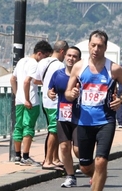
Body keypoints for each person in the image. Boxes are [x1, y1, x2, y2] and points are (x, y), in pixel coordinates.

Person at [65, 30, 122, 191]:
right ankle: (97, 176)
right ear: (88, 45)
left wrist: (120, 99)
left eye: (100, 46)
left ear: (105, 47)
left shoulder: (114, 69)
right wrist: (71, 95)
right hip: (84, 121)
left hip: (106, 120)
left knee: (101, 160)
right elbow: (68, 92)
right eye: (93, 45)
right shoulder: (79, 67)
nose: (96, 49)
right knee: (86, 166)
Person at [10, 40, 53, 166]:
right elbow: (27, 81)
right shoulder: (35, 64)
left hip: (19, 100)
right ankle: (26, 156)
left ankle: (17, 156)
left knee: (18, 126)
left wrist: (18, 94)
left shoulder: (22, 61)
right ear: (39, 54)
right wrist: (27, 98)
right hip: (31, 100)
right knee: (28, 127)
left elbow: (13, 79)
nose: (45, 60)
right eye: (45, 57)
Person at [48, 46, 82, 187]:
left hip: (80, 116)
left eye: (74, 56)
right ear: (64, 56)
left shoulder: (83, 75)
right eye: (69, 55)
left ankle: (88, 165)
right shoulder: (57, 74)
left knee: (77, 149)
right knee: (63, 147)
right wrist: (51, 94)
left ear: (79, 59)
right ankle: (70, 176)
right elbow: (51, 90)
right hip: (62, 115)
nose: (71, 58)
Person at [35, 40, 69, 170]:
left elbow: (36, 79)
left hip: (45, 100)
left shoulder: (43, 62)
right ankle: (48, 160)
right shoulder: (60, 66)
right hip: (55, 101)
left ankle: (55, 158)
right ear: (62, 51)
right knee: (54, 131)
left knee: (53, 129)